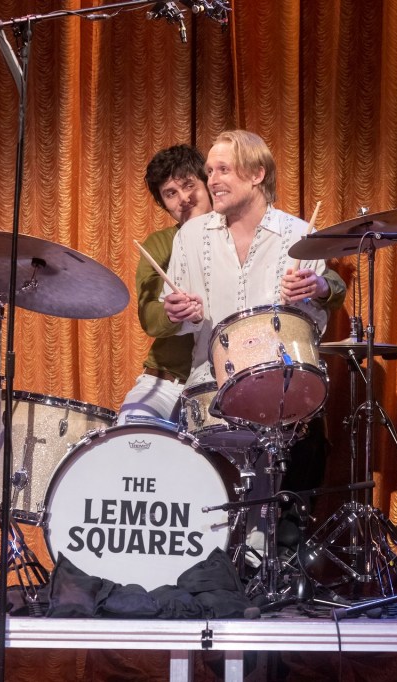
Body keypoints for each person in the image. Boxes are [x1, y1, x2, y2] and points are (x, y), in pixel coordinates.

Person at [162, 130, 345, 568]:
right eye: (209, 172)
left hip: (281, 383)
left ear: (257, 174)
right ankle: (207, 564)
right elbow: (182, 320)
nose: (212, 181)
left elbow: (315, 323)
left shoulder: (301, 236)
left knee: (304, 438)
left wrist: (316, 288)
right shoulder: (189, 235)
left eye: (223, 169)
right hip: (211, 382)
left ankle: (274, 559)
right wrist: (178, 310)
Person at [117, 145, 212, 425]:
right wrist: (170, 313)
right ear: (163, 204)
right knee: (130, 434)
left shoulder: (239, 234)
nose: (183, 198)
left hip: (223, 382)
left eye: (188, 185)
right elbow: (149, 318)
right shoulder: (159, 244)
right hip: (167, 380)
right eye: (171, 193)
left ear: (207, 185)